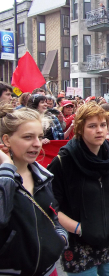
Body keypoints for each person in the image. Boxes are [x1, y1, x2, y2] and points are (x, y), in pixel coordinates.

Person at [47, 102, 109, 275]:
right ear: (79, 129)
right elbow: (50, 206)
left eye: (103, 125)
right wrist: (79, 228)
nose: (100, 130)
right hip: (79, 244)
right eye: (92, 126)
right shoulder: (63, 161)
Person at [0, 103, 68, 276]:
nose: (37, 144)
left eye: (39, 136)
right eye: (28, 137)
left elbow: (53, 214)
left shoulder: (43, 176)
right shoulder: (4, 179)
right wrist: (7, 168)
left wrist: (60, 239)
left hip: (48, 270)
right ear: (7, 140)